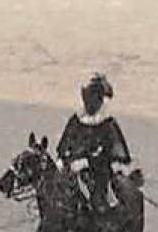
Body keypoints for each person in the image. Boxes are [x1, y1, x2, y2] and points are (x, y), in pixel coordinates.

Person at [57, 73, 133, 219]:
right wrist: (61, 159)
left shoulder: (107, 124)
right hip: (71, 170)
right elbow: (65, 142)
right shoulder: (76, 120)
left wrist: (88, 162)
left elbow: (112, 153)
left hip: (97, 173)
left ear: (99, 100)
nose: (88, 103)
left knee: (98, 203)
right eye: (86, 99)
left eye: (92, 99)